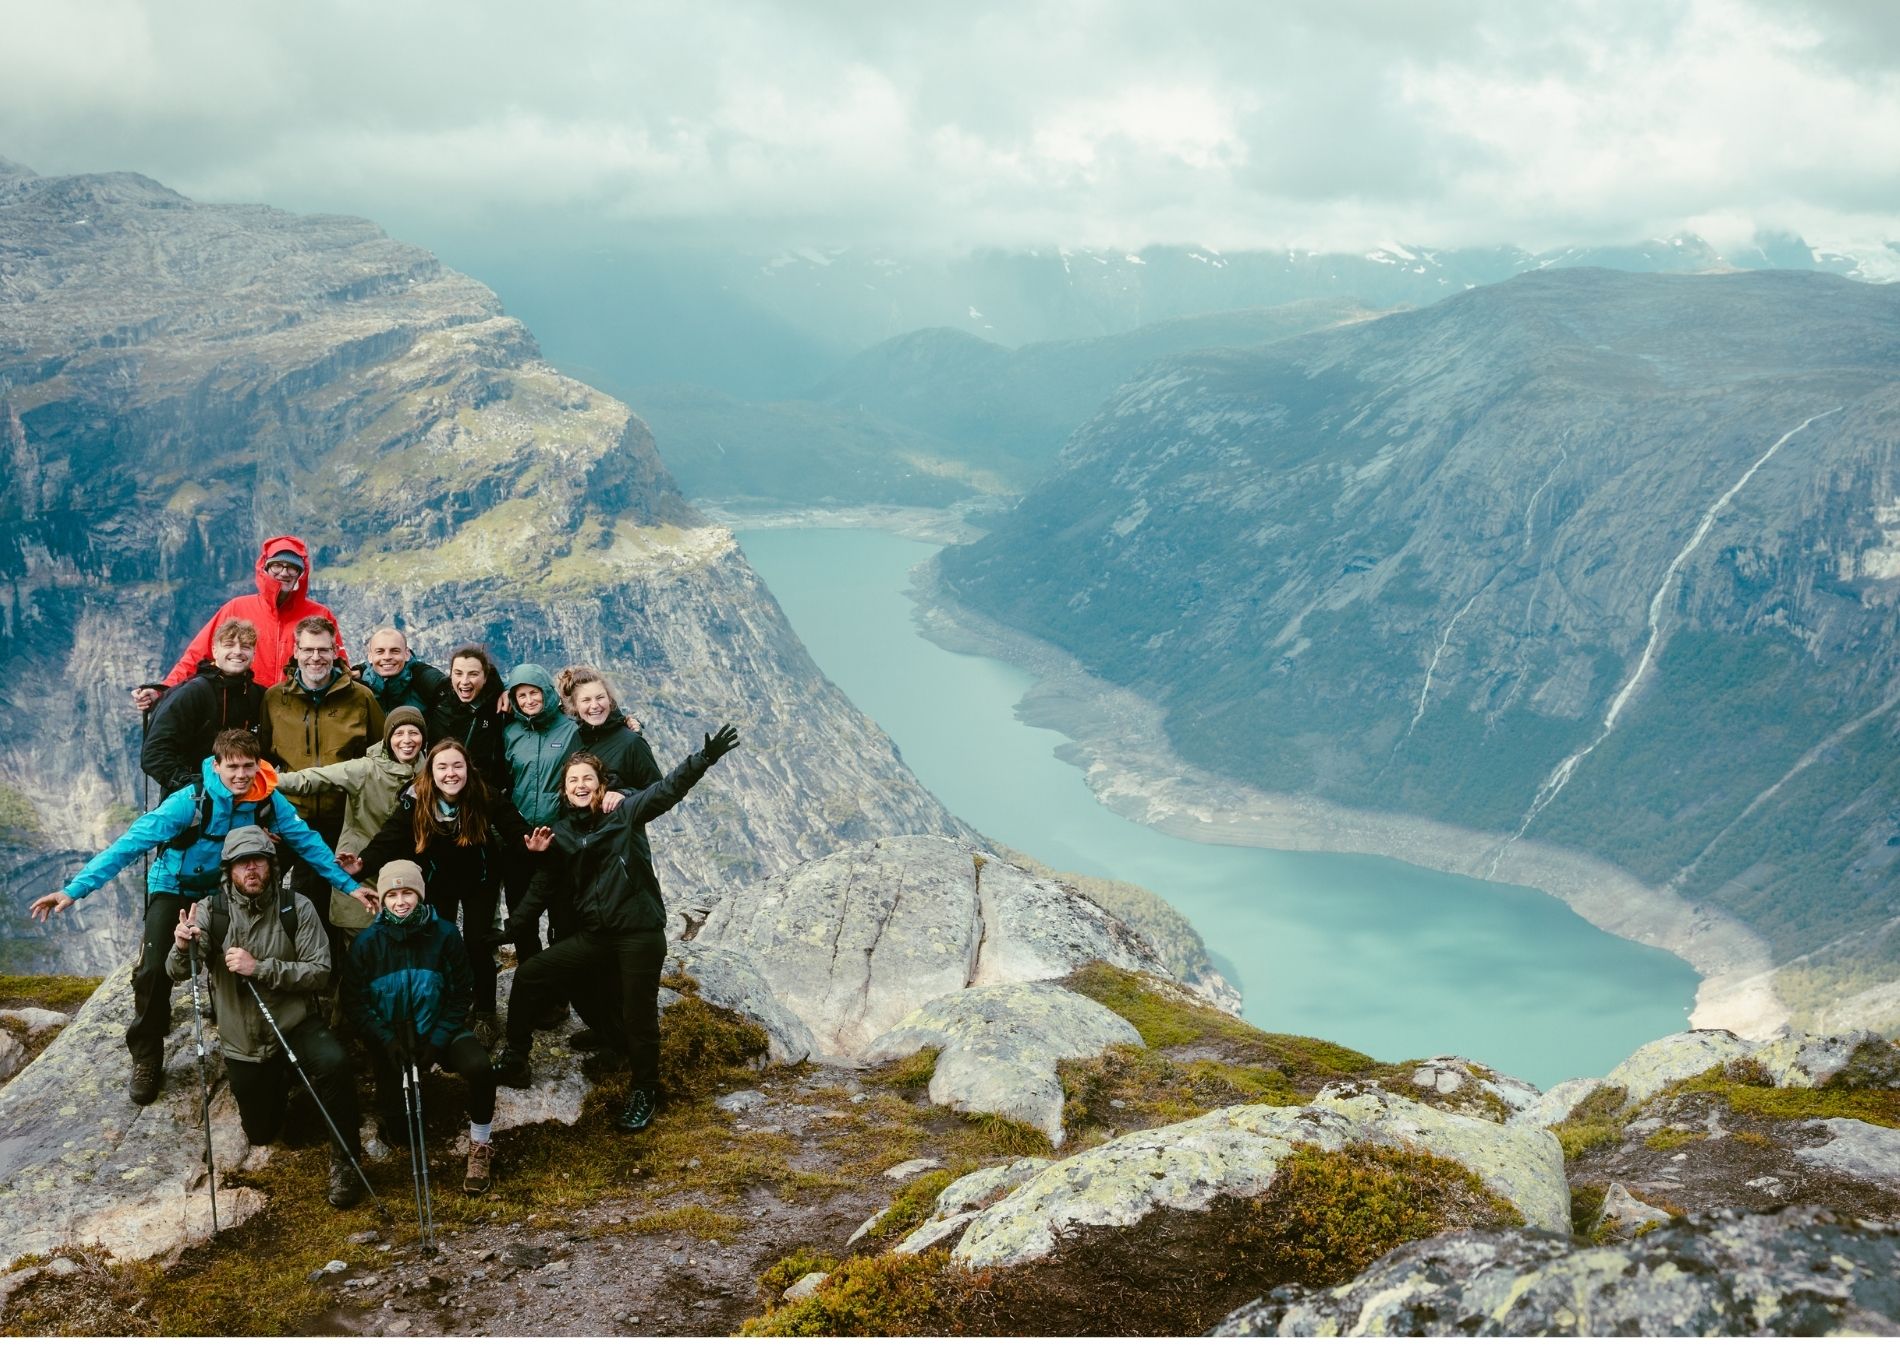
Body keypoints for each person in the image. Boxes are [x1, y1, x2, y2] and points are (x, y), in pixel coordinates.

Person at [28, 729, 371, 1105]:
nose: (241, 775)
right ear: (217, 764)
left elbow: (307, 842)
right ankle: (147, 1052)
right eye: (233, 766)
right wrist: (73, 889)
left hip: (221, 890)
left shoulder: (268, 801)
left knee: (235, 957)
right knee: (155, 968)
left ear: (259, 765)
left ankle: (241, 1025)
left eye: (248, 766)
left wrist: (349, 886)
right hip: (173, 885)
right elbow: (130, 844)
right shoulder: (189, 802)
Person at [493, 725, 740, 1133]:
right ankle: (517, 1056)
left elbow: (667, 790)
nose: (580, 785)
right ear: (564, 789)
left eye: (587, 778)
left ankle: (645, 1090)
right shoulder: (563, 832)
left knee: (639, 1014)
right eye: (573, 780)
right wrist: (512, 928)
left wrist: (704, 757)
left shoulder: (624, 813)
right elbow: (543, 885)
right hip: (597, 936)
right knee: (533, 972)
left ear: (600, 784)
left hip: (639, 933)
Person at [167, 825, 366, 1208]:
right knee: (261, 1132)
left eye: (258, 860)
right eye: (242, 863)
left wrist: (260, 968)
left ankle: (347, 1162)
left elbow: (320, 971)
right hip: (244, 1038)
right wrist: (182, 945)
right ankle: (288, 1087)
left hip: (295, 1024)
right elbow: (177, 971)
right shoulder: (211, 912)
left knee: (335, 1064)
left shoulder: (296, 906)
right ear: (229, 871)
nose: (251, 869)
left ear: (272, 866)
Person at [343, 860, 498, 1194]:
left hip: (440, 1028)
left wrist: (438, 1042)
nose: (401, 901)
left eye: (408, 893)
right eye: (393, 894)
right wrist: (386, 1041)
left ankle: (480, 1145)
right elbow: (355, 1003)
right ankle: (398, 1109)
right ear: (382, 900)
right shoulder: (366, 944)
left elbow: (461, 994)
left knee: (480, 1067)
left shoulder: (444, 934)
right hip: (394, 1039)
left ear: (420, 895)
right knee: (401, 1132)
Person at [349, 739, 514, 1034]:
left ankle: (486, 1011)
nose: (450, 773)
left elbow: (514, 827)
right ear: (431, 772)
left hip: (481, 880)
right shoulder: (416, 798)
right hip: (438, 879)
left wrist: (532, 844)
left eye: (457, 766)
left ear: (468, 769)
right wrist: (362, 865)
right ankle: (446, 1004)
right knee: (438, 941)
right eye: (442, 766)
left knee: (478, 944)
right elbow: (390, 838)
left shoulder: (483, 795)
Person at [275, 706, 427, 955]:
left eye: (414, 733)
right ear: (388, 738)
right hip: (360, 865)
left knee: (404, 944)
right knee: (361, 945)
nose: (407, 740)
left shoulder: (430, 773)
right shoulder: (365, 769)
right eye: (399, 733)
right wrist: (266, 780)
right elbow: (312, 779)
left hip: (406, 870)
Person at [133, 537, 347, 711]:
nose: (284, 572)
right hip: (244, 710)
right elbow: (198, 655)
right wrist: (163, 691)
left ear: (302, 572)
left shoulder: (320, 613)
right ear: (265, 568)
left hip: (300, 712)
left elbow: (339, 663)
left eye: (292, 567)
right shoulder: (236, 608)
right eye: (277, 565)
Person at [260, 616, 386, 909]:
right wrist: (261, 815)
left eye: (323, 650)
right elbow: (261, 761)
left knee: (320, 899)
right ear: (296, 652)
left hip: (340, 819)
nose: (315, 657)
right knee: (262, 885)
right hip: (288, 816)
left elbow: (380, 758)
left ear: (335, 652)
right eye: (308, 650)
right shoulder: (275, 699)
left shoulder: (360, 698)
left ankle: (324, 955)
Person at [141, 618, 264, 798]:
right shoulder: (192, 693)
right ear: (214, 650)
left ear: (253, 653)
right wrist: (194, 787)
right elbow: (154, 753)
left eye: (245, 646)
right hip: (191, 803)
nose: (237, 652)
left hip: (242, 799)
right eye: (229, 645)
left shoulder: (258, 696)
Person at [558, 666, 660, 793]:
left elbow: (658, 793)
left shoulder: (632, 742)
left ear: (609, 699)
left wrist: (625, 795)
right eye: (586, 700)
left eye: (600, 697)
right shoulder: (574, 739)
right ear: (575, 706)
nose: (595, 705)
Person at [429, 644, 511, 791]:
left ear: (485, 677)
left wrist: (511, 690)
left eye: (473, 674)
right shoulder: (440, 694)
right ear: (451, 674)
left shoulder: (497, 707)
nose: (465, 681)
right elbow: (416, 670)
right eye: (458, 673)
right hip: (438, 790)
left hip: (483, 795)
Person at [357, 628, 452, 733]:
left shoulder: (426, 683)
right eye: (380, 651)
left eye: (395, 651)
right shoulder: (358, 688)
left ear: (407, 654)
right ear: (370, 656)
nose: (387, 657)